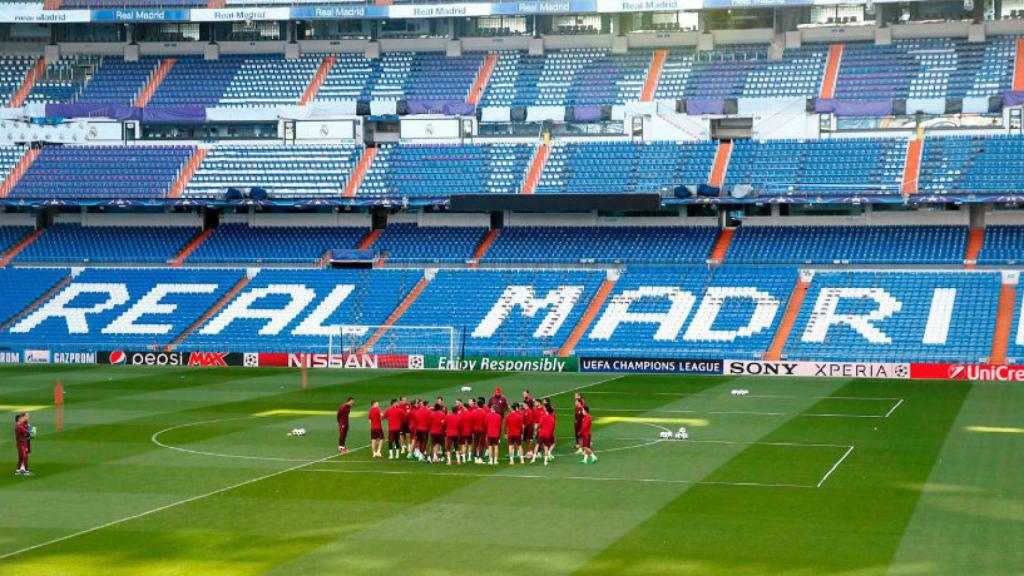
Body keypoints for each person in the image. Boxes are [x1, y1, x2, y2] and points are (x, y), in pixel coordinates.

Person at [445, 401, 463, 465]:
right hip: (456, 433)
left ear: (452, 410)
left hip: (449, 433)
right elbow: (460, 426)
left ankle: (449, 461)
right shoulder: (459, 417)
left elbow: (445, 424)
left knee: (448, 448)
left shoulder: (448, 416)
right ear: (457, 410)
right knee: (457, 447)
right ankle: (458, 461)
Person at [14, 412, 32, 476]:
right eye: (21, 418)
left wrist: (29, 429)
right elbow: (26, 432)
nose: (22, 419)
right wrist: (30, 432)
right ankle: (26, 472)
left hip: (21, 443)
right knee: (25, 457)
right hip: (22, 444)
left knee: (21, 458)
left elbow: (27, 428)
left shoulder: (20, 425)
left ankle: (18, 470)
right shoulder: (19, 426)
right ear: (19, 419)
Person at [472, 397, 487, 464]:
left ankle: (475, 457)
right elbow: (485, 422)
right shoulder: (484, 413)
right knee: (481, 444)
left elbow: (472, 421)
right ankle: (480, 458)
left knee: (475, 444)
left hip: (475, 429)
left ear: (477, 405)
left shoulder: (473, 412)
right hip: (482, 430)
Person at [459, 398, 475, 464]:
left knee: (463, 445)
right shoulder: (471, 414)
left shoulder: (461, 414)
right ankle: (469, 457)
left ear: (464, 407)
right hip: (469, 431)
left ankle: (463, 459)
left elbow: (459, 423)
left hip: (463, 431)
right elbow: (472, 423)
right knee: (469, 444)